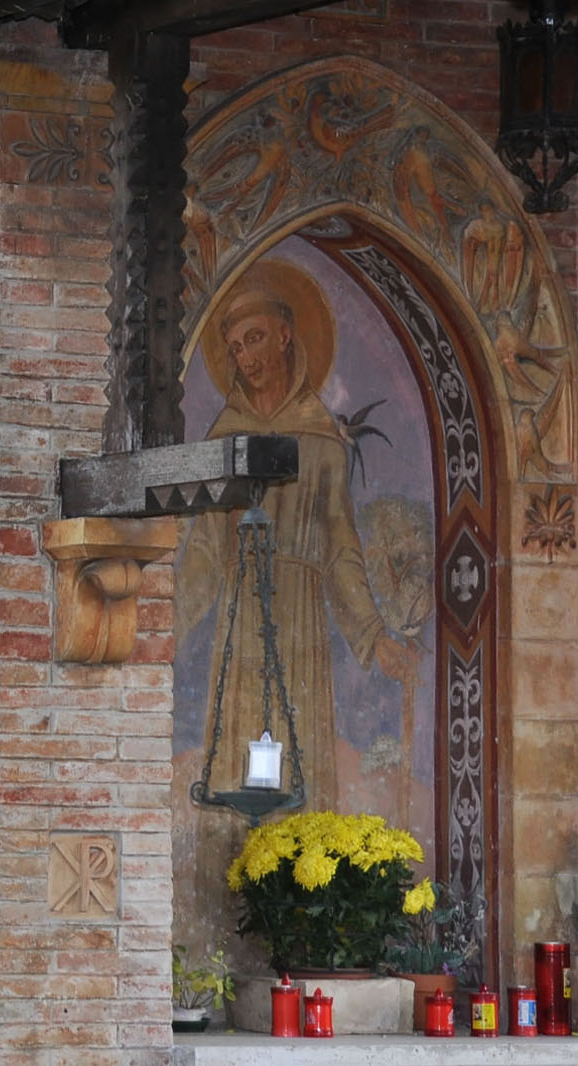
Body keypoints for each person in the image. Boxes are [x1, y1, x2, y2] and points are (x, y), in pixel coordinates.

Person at [175, 259, 418, 811]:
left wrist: (373, 633)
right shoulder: (225, 438)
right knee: (236, 763)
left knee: (300, 761)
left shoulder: (322, 439)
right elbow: (206, 554)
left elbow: (340, 549)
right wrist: (165, 628)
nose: (247, 357)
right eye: (235, 348)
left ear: (286, 335)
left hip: (302, 621)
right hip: (240, 619)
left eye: (255, 338)